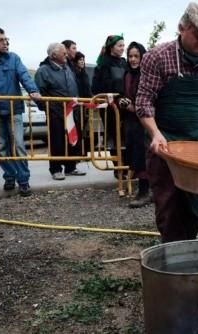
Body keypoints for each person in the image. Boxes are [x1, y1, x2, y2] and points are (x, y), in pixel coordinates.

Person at [135, 2, 198, 242]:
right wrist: (155, 134)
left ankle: (188, 247)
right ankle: (171, 253)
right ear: (182, 28)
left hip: (197, 146)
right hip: (165, 144)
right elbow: (144, 102)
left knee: (195, 203)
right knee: (169, 205)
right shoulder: (157, 57)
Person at [0, 27, 41, 196]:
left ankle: (24, 180)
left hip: (14, 109)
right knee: (1, 146)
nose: (6, 42)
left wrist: (33, 90)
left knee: (18, 145)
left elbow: (24, 75)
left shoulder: (13, 58)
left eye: (6, 39)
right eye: (1, 40)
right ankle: (10, 175)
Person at [35, 43, 86, 180]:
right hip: (55, 113)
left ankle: (71, 167)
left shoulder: (67, 68)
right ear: (53, 55)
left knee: (72, 139)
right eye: (63, 53)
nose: (66, 55)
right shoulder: (43, 71)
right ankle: (56, 169)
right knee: (56, 141)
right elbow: (39, 93)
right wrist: (49, 109)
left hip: (72, 111)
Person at [119, 41, 151, 208]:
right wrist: (123, 101)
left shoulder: (147, 75)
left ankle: (145, 191)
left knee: (143, 155)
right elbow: (125, 94)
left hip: (145, 121)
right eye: (130, 56)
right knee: (134, 154)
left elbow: (149, 99)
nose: (132, 59)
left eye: (136, 56)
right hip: (131, 121)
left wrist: (134, 107)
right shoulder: (128, 75)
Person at [92, 34, 128, 170]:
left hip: (124, 105)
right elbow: (95, 87)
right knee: (114, 135)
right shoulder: (103, 64)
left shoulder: (124, 62)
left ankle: (127, 165)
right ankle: (118, 166)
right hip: (109, 108)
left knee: (126, 135)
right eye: (120, 46)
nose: (122, 48)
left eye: (123, 46)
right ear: (111, 47)